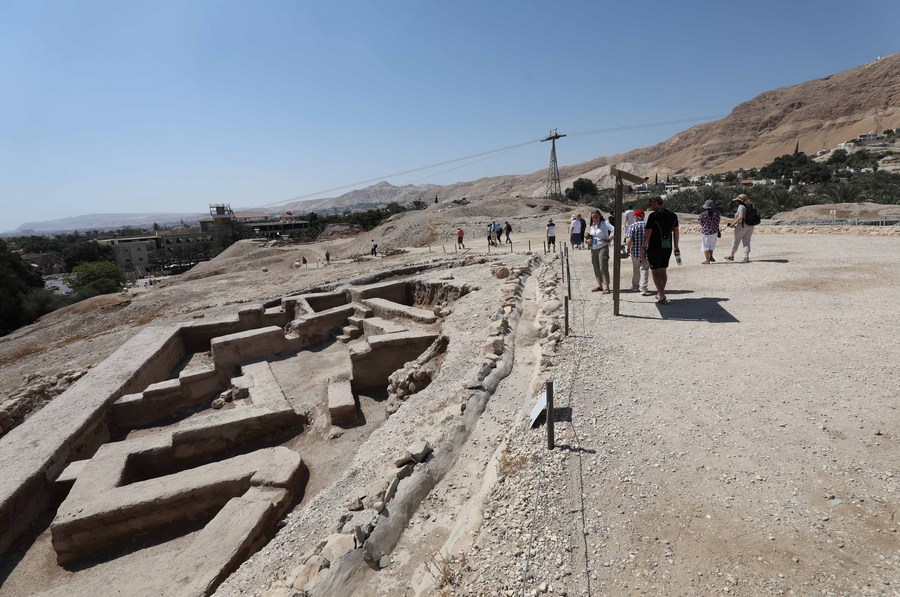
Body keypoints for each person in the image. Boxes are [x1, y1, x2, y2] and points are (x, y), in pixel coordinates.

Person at [640, 197, 679, 304]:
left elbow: (648, 233)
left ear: (656, 203)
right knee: (663, 270)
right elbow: (676, 232)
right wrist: (676, 246)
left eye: (651, 204)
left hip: (654, 246)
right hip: (667, 246)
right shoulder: (673, 215)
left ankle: (661, 294)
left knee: (655, 270)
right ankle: (660, 292)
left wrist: (643, 247)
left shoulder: (653, 216)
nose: (650, 206)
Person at [587, 210, 615, 293]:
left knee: (603, 266)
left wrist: (609, 239)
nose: (595, 218)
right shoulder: (592, 225)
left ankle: (607, 287)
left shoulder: (605, 223)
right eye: (593, 217)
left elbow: (614, 229)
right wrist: (588, 241)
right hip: (593, 248)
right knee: (596, 266)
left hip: (603, 247)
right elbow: (591, 236)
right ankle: (600, 285)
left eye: (596, 217)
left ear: (600, 216)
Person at [625, 209, 650, 294]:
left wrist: (628, 249)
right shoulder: (648, 225)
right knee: (644, 269)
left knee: (636, 269)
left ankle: (635, 287)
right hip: (646, 252)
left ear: (636, 217)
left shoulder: (633, 226)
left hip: (635, 252)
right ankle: (643, 288)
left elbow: (629, 240)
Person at [725, 194, 754, 262]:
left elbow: (740, 217)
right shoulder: (750, 206)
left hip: (742, 225)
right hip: (750, 225)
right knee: (746, 241)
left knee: (736, 241)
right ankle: (746, 257)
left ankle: (731, 256)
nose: (736, 202)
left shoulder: (741, 206)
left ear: (740, 201)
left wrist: (733, 224)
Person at [698, 199, 721, 264]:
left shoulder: (702, 214)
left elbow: (701, 223)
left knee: (705, 246)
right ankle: (711, 257)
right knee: (712, 245)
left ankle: (707, 259)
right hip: (714, 231)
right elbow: (718, 222)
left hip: (706, 232)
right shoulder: (716, 214)